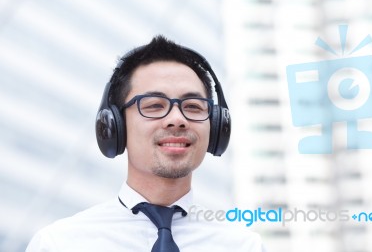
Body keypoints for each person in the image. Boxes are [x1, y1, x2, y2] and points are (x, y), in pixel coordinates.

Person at [26, 35, 266, 251]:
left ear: (216, 127)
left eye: (193, 106)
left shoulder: (245, 246)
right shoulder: (59, 244)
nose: (177, 119)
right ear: (115, 125)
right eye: (153, 105)